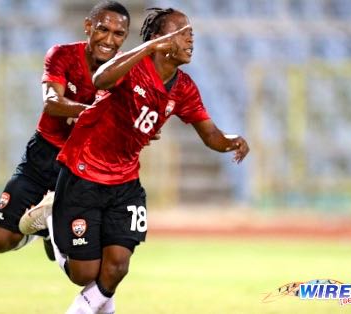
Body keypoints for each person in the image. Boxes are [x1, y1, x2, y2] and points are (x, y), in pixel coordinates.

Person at [25, 7, 249, 313]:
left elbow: (210, 135)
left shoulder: (183, 88)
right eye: (181, 33)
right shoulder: (132, 64)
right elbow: (101, 78)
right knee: (85, 274)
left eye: (191, 35)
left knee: (118, 266)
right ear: (159, 39)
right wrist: (147, 48)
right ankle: (52, 218)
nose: (190, 41)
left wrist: (230, 142)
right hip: (83, 170)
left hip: (125, 181)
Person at [0, 1, 131, 260]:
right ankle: (37, 229)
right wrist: (91, 114)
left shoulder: (126, 74)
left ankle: (53, 226)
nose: (109, 39)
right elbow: (52, 103)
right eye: (102, 29)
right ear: (88, 26)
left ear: (125, 37)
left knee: (67, 256)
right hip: (43, 156)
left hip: (82, 169)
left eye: (118, 33)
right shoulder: (62, 55)